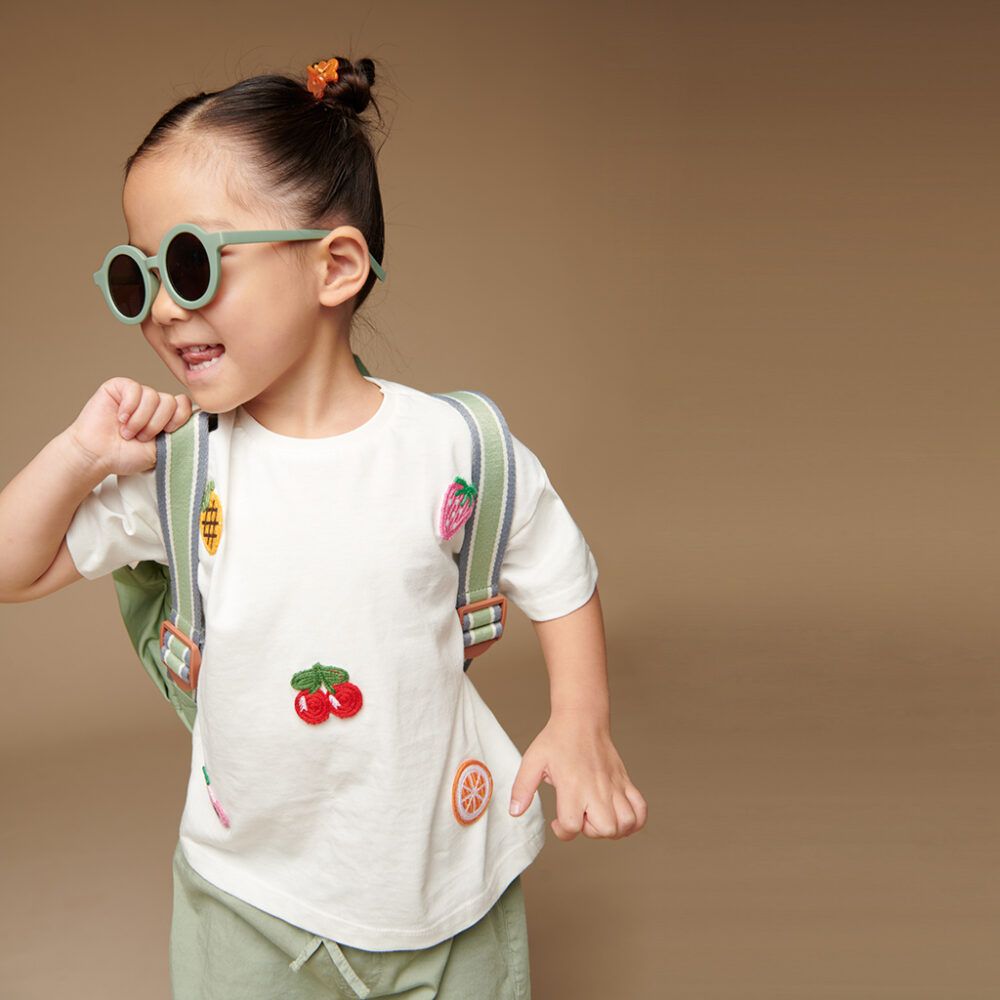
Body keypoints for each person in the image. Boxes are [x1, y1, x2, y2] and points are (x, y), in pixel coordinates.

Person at [0, 56, 646, 999]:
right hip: (246, 901)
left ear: (335, 264)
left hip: (450, 889)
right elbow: (13, 567)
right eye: (137, 279)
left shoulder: (454, 448)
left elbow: (557, 566)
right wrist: (76, 453)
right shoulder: (181, 465)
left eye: (190, 262)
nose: (166, 311)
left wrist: (581, 719)